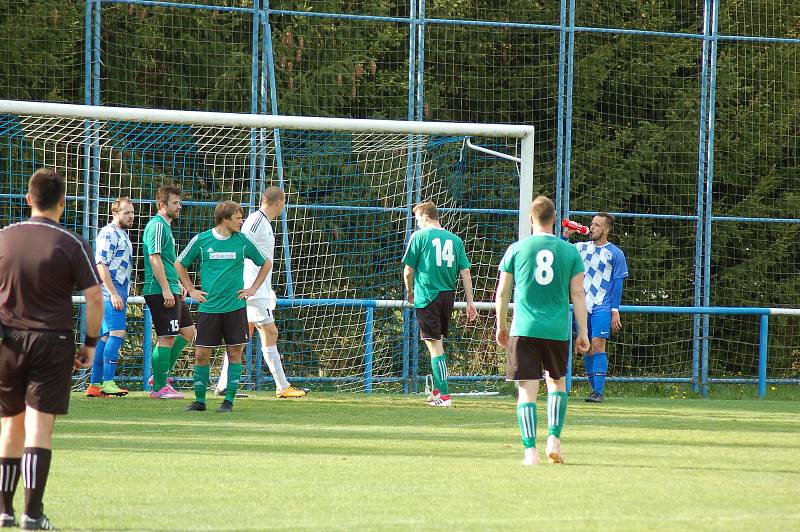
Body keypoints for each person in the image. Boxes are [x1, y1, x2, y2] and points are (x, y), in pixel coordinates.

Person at [0, 168, 103, 529]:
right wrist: (90, 344)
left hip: (8, 341)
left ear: (28, 198)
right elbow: (94, 297)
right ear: (62, 202)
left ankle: (4, 511)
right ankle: (32, 513)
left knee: (10, 426)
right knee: (39, 429)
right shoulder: (71, 242)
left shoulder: (4, 238)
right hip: (53, 340)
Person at [496, 195, 589, 466]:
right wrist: (582, 331)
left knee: (526, 392)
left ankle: (530, 452)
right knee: (557, 384)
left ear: (531, 218)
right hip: (557, 330)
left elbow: (502, 293)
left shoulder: (516, 248)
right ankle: (554, 440)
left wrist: (501, 325)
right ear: (554, 219)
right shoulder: (569, 251)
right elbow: (579, 294)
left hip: (524, 328)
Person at [176, 201, 270, 413]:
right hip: (209, 309)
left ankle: (228, 401)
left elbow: (266, 263)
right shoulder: (202, 240)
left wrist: (253, 288)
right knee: (201, 355)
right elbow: (179, 263)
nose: (241, 221)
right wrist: (191, 289)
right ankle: (199, 401)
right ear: (225, 219)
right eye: (237, 217)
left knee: (235, 353)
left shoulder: (242, 241)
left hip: (235, 309)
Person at [215, 187, 307, 399]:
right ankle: (282, 386)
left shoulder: (263, 222)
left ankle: (223, 384)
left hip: (256, 289)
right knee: (270, 333)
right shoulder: (256, 221)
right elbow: (239, 246)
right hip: (252, 291)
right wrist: (250, 286)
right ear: (279, 203)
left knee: (240, 337)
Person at [402, 201, 477, 407]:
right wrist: (470, 303)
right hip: (447, 297)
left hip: (427, 296)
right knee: (437, 343)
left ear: (425, 216)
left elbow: (408, 271)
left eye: (417, 219)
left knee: (435, 346)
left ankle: (444, 396)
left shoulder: (419, 237)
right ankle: (436, 391)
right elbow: (465, 272)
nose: (417, 224)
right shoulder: (455, 239)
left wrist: (409, 291)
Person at [564, 212, 629, 403]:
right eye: (591, 224)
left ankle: (598, 392)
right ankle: (594, 390)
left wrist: (615, 310)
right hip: (582, 305)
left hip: (602, 305)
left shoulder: (615, 253)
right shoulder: (580, 248)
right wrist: (566, 235)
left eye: (597, 225)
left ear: (606, 229)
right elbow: (558, 252)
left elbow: (618, 283)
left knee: (598, 343)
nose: (592, 228)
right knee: (586, 347)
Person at [142, 186, 195, 399]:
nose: (179, 206)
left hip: (172, 288)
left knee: (188, 332)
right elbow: (154, 258)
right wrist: (165, 288)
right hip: (159, 289)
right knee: (167, 337)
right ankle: (159, 388)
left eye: (179, 202)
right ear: (162, 205)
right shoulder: (156, 226)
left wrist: (177, 284)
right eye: (175, 203)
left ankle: (160, 377)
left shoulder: (166, 227)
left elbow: (167, 260)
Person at [86, 197, 135, 398]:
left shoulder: (120, 233)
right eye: (126, 213)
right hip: (109, 293)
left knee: (106, 337)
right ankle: (108, 382)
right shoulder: (109, 233)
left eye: (132, 212)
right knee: (117, 333)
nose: (131, 216)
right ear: (115, 213)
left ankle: (95, 385)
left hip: (113, 292)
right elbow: (101, 264)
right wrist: (113, 293)